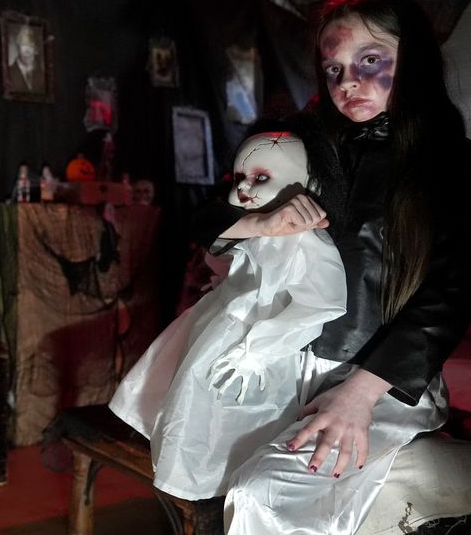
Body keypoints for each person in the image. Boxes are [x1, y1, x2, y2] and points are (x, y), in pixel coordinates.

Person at [211, 0, 471, 533]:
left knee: (261, 495)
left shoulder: (451, 162)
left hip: (384, 385)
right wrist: (259, 221)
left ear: (414, 58)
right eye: (332, 70)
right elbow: (209, 216)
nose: (347, 82)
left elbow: (450, 293)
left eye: (369, 61)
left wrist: (359, 396)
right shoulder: (298, 145)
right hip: (284, 367)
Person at [109, 130, 347, 500]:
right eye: (241, 179)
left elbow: (319, 303)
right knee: (195, 406)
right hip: (222, 332)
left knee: (236, 423)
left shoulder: (306, 240)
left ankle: (220, 486)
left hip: (256, 347)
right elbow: (221, 253)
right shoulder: (254, 224)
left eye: (261, 178)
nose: (246, 190)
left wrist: (259, 350)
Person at [6, 25, 45, 95]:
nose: (27, 49)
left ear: (36, 49)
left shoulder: (43, 75)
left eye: (30, 44)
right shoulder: (8, 72)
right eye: (24, 44)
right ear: (18, 47)